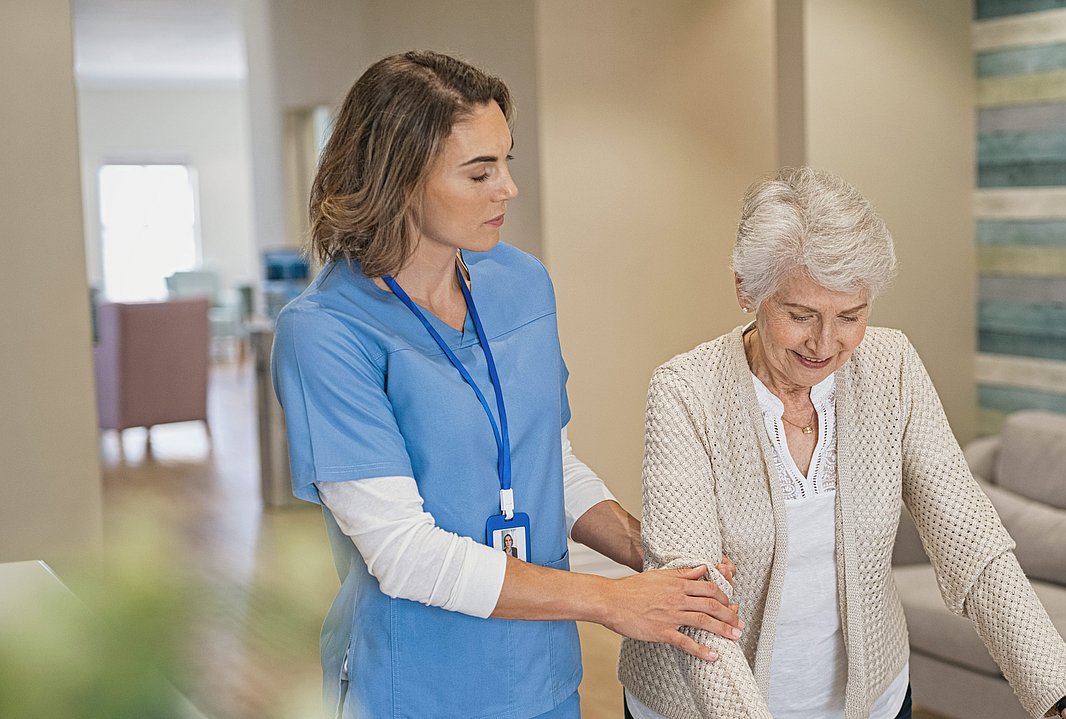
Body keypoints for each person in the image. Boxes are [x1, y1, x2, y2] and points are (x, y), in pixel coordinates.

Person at [272, 51, 742, 719]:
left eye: (507, 161)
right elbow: (403, 552)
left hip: (541, 674)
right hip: (416, 684)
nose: (508, 189)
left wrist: (653, 556)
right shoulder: (325, 332)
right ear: (401, 179)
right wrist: (610, 600)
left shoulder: (521, 283)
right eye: (479, 171)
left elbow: (549, 459)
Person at [618, 167, 1066, 719]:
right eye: (800, 315)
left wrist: (1064, 698)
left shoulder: (893, 369)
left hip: (868, 701)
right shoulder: (686, 392)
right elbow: (696, 603)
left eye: (851, 316)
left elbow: (971, 542)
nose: (825, 343)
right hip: (703, 706)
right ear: (746, 289)